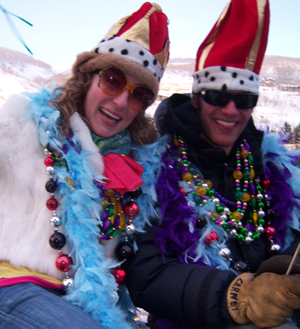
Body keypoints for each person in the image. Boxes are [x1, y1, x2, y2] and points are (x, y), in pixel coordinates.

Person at [123, 0, 300, 328]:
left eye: (244, 100)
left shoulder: (274, 168)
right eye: (218, 97)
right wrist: (237, 298)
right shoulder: (153, 169)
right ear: (196, 98)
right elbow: (145, 274)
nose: (231, 110)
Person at [0, 2, 169, 328]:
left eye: (139, 95)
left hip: (83, 303)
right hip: (12, 283)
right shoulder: (25, 121)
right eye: (112, 79)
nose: (121, 101)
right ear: (88, 77)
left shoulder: (138, 168)